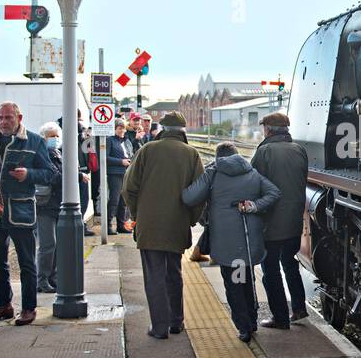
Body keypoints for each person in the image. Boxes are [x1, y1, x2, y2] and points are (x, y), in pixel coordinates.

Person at [182, 143, 279, 342]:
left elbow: (189, 197)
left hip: (226, 238)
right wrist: (254, 205)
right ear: (236, 155)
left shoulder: (213, 172)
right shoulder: (252, 172)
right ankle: (251, 321)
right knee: (244, 277)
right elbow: (274, 193)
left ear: (219, 157)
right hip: (248, 235)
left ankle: (244, 326)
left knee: (235, 281)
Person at [121, 112, 204, 338]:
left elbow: (129, 188)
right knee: (174, 273)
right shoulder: (192, 154)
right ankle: (176, 322)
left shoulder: (147, 150)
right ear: (183, 131)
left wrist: (140, 213)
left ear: (163, 129)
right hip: (177, 224)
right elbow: (200, 193)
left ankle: (159, 328)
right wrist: (191, 219)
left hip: (149, 225)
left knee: (154, 275)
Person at [0, 102, 55, 326]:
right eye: (0, 118)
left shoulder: (35, 141)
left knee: (27, 263)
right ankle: (3, 305)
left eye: (8, 118)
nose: (3, 122)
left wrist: (28, 174)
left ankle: (29, 308)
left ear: (19, 118)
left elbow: (49, 173)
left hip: (21, 210)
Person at [251, 112, 311, 329]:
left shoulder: (264, 151)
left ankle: (280, 318)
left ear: (268, 128)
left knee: (271, 271)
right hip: (294, 222)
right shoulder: (299, 150)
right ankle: (299, 308)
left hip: (271, 225)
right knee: (290, 264)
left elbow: (254, 184)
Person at [36, 121, 65, 293]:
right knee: (48, 245)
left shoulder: (57, 153)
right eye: (50, 136)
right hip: (45, 205)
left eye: (56, 136)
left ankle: (53, 277)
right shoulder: (42, 154)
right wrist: (75, 174)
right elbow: (54, 176)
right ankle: (42, 279)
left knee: (57, 245)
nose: (54, 139)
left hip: (56, 204)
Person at [107, 119, 133, 233]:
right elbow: (105, 157)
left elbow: (131, 153)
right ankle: (107, 225)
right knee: (114, 199)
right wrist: (120, 162)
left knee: (124, 200)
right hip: (115, 173)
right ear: (115, 129)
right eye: (119, 128)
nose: (122, 130)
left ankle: (121, 225)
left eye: (123, 128)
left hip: (126, 172)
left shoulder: (127, 141)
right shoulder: (110, 140)